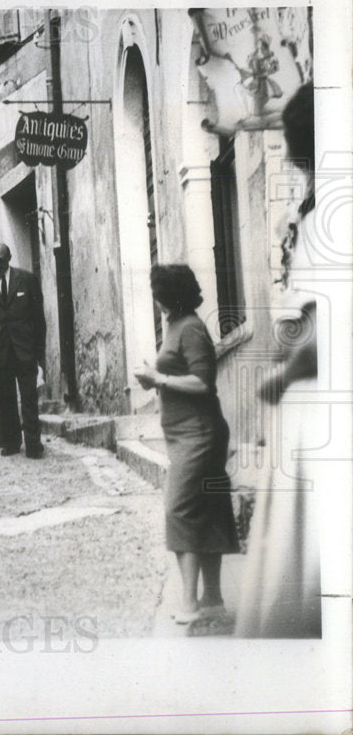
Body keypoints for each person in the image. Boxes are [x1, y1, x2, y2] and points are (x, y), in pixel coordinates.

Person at [236, 83, 322, 638]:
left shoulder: (326, 218)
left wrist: (279, 378)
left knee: (304, 566)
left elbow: (326, 333)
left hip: (318, 404)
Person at [133, 264, 239, 624]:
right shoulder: (177, 325)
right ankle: (213, 599)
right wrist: (155, 379)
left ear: (170, 295)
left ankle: (189, 604)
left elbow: (203, 383)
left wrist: (158, 378)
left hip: (200, 435)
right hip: (186, 434)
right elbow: (178, 376)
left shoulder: (191, 328)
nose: (156, 300)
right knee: (207, 511)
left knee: (179, 511)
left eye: (159, 294)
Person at [0, 242, 46, 458]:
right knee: (5, 400)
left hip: (25, 350)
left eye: (1, 261)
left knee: (29, 398)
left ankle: (33, 443)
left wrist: (39, 353)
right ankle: (12, 442)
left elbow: (38, 318)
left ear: (9, 258)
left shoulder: (27, 280)